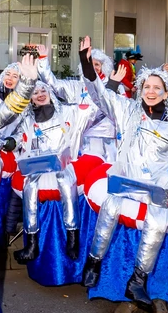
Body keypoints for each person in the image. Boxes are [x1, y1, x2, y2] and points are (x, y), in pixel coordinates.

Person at [77, 35, 168, 313]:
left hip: (157, 187)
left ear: (167, 92)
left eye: (158, 87)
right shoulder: (127, 110)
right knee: (110, 207)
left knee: (157, 221)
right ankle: (93, 262)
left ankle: (138, 279)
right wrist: (85, 61)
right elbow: (99, 94)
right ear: (140, 89)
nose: (152, 91)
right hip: (127, 180)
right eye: (147, 87)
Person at [7, 74, 103, 266]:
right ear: (30, 98)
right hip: (37, 165)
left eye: (44, 91)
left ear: (51, 93)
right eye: (35, 93)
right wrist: (11, 142)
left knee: (66, 183)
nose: (40, 95)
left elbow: (94, 110)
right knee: (29, 187)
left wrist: (108, 85)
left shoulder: (67, 112)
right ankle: (32, 244)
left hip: (63, 164)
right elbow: (18, 136)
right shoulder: (28, 119)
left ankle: (72, 238)